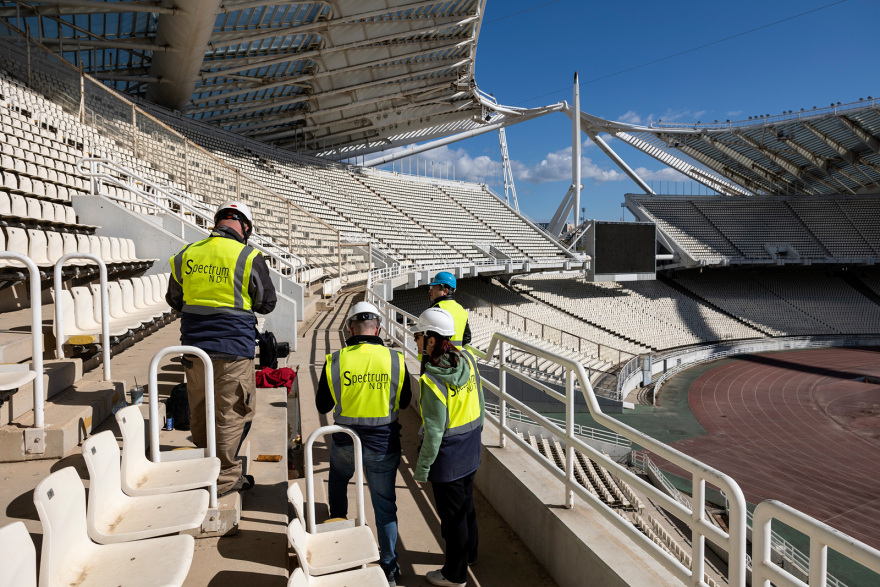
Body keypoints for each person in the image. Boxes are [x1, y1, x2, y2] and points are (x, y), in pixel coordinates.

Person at [166, 201, 277, 496]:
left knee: (201, 410)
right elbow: (267, 302)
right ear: (245, 228)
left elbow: (174, 299)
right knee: (232, 413)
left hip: (194, 349)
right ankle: (225, 481)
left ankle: (206, 469)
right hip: (233, 350)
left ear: (217, 223)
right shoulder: (248, 256)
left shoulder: (187, 254)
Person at [315, 301, 412, 587]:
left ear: (349, 329)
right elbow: (404, 402)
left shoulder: (335, 360)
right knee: (384, 507)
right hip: (384, 445)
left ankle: (340, 544)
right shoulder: (396, 360)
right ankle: (389, 567)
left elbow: (323, 403)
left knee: (338, 483)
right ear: (378, 329)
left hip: (346, 442)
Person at [412, 308, 485, 587]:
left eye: (419, 335)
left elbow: (433, 432)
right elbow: (479, 400)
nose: (416, 340)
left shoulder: (432, 380)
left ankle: (455, 575)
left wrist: (422, 469)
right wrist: (477, 434)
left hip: (448, 458)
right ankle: (470, 556)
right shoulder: (468, 359)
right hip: (471, 447)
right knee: (467, 508)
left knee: (452, 520)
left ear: (432, 340)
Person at [427, 272, 471, 349]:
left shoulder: (436, 309)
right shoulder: (461, 309)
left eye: (433, 287)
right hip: (455, 357)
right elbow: (466, 338)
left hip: (438, 358)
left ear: (445, 291)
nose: (430, 290)